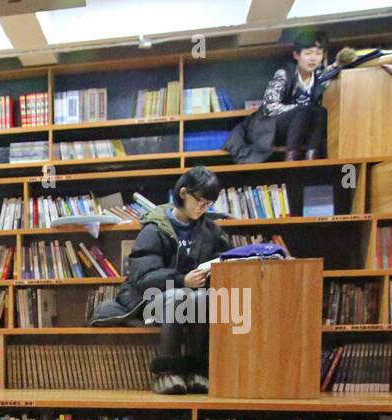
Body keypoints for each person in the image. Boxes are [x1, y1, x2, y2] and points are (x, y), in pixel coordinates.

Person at [95, 167, 232, 395]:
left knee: (202, 297)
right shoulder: (155, 228)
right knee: (179, 296)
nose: (204, 208)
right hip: (148, 299)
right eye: (201, 201)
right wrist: (182, 280)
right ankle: (167, 373)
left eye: (209, 204)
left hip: (193, 299)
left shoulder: (211, 231)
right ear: (184, 193)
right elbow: (143, 278)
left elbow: (229, 264)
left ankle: (197, 371)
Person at [227, 30, 332, 163]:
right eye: (308, 53)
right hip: (274, 129)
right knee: (304, 110)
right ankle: (291, 156)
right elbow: (269, 107)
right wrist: (299, 107)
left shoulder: (321, 77)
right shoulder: (284, 74)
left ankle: (312, 155)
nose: (313, 58)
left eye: (318, 53)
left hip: (304, 129)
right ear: (296, 55)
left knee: (320, 111)